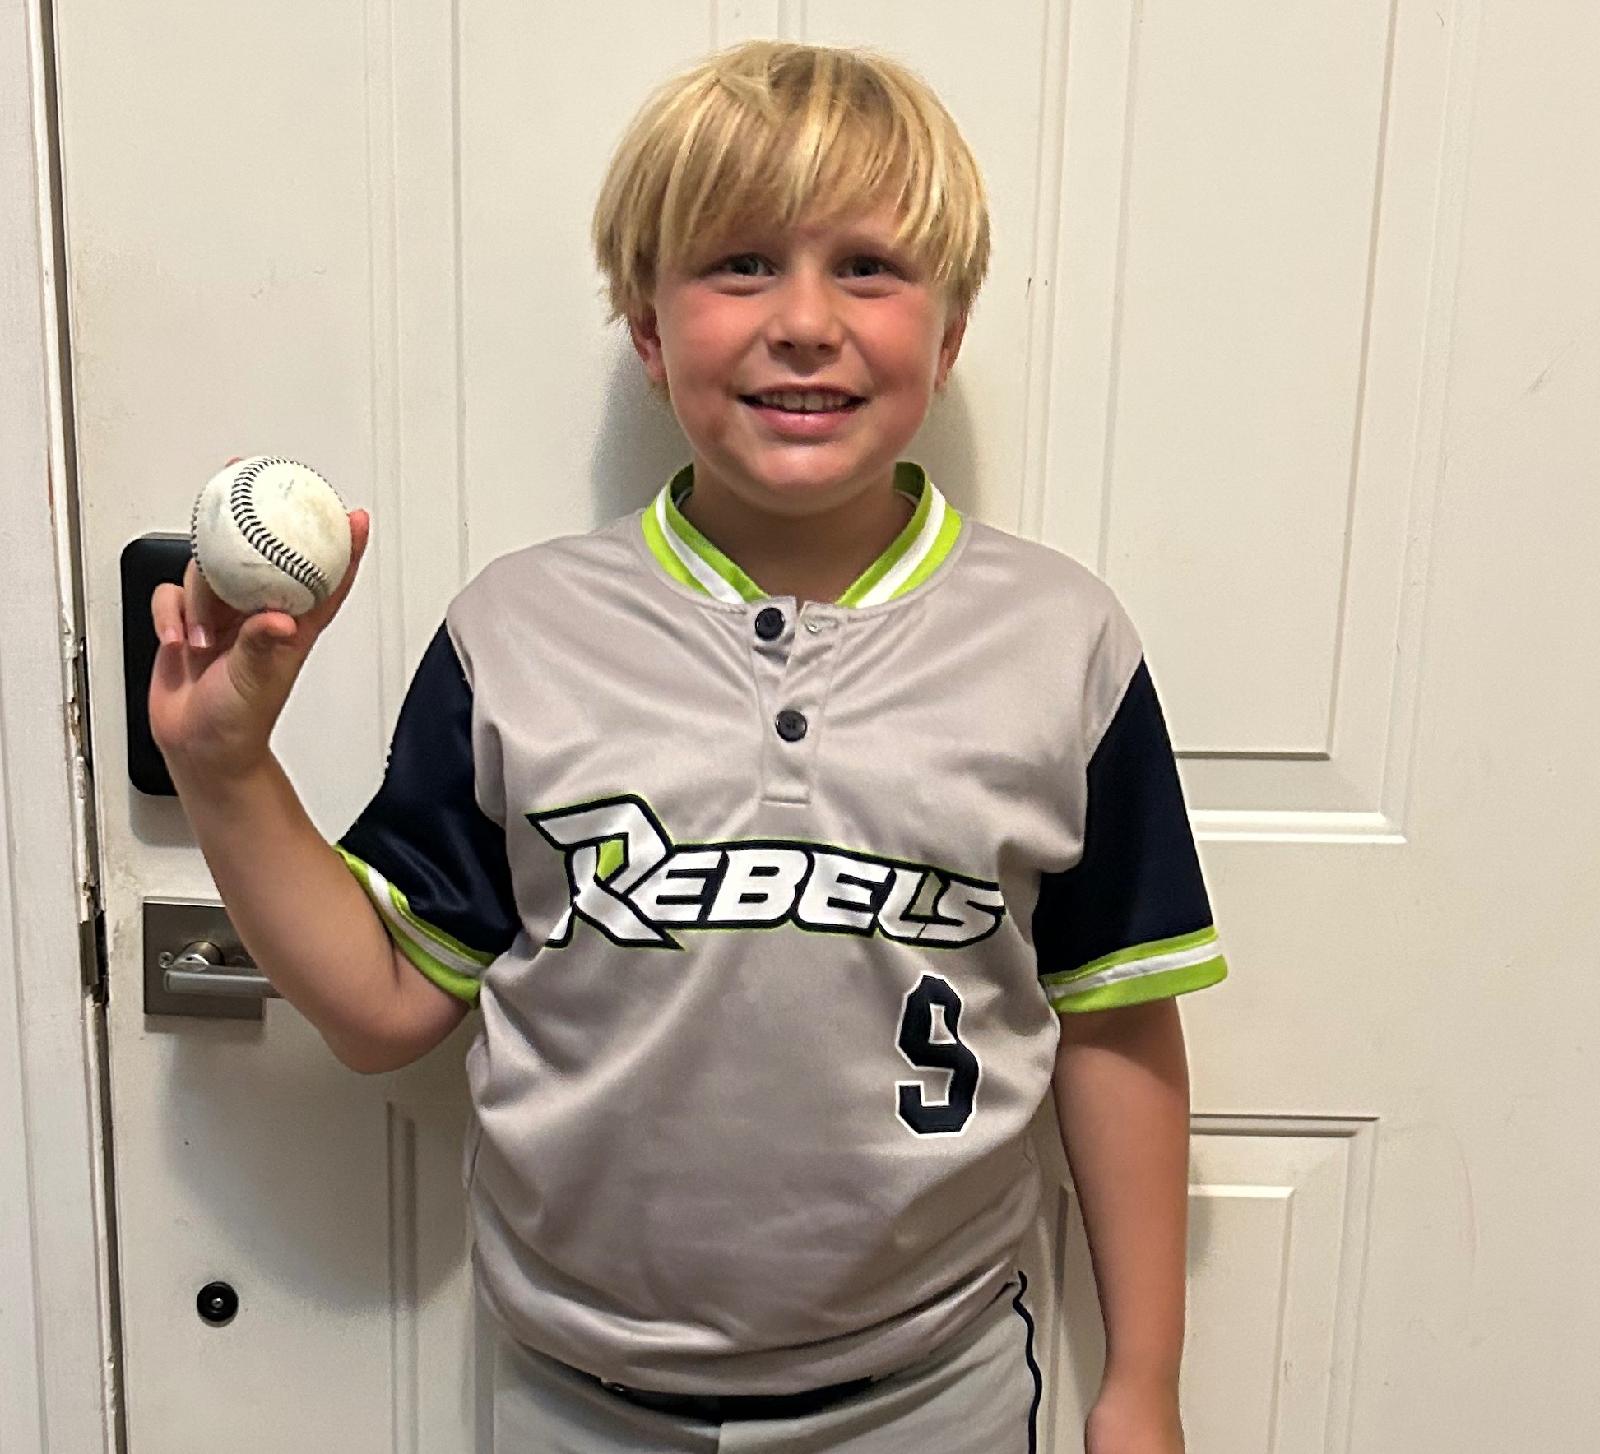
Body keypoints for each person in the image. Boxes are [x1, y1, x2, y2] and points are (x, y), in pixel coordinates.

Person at [150, 39, 1227, 1454]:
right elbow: (383, 1006)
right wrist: (226, 771)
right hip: (577, 1396)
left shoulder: (1062, 643)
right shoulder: (517, 634)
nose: (804, 321)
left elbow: (1118, 1018)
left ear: (951, 330)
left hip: (936, 1391)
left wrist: (1142, 1378)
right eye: (740, 265)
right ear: (650, 333)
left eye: (869, 268)